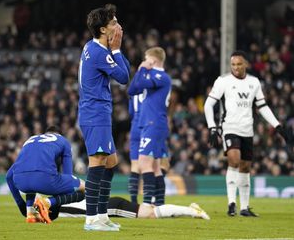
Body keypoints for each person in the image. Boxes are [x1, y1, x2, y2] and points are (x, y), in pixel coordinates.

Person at [204, 50, 289, 217]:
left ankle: (244, 208)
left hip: (247, 130)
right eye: (233, 64)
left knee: (245, 167)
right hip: (230, 128)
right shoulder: (223, 81)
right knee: (234, 160)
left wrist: (277, 126)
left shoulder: (254, 82)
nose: (236, 67)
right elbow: (208, 105)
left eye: (239, 64)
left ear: (246, 64)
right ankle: (231, 203)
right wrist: (212, 127)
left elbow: (262, 107)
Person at [77, 4, 130, 231]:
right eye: (113, 23)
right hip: (95, 113)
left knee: (111, 162)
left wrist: (116, 51)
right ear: (102, 30)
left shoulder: (92, 47)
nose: (118, 26)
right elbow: (124, 76)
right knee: (98, 162)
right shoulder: (99, 52)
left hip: (97, 112)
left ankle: (101, 214)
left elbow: (124, 70)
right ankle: (91, 219)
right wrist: (116, 50)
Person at [6, 126, 85, 224]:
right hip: (44, 179)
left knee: (31, 178)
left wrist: (21, 204)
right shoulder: (63, 141)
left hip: (20, 182)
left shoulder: (30, 140)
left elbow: (8, 176)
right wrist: (55, 203)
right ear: (58, 134)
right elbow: (67, 176)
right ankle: (46, 203)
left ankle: (31, 213)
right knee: (85, 189)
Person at [128, 47, 171, 206]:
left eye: (146, 59)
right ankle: (159, 204)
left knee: (144, 163)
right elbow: (132, 89)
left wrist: (143, 69)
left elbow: (141, 83)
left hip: (154, 123)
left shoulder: (162, 76)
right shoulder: (150, 74)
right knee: (155, 167)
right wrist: (142, 70)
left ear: (153, 60)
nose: (144, 61)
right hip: (148, 123)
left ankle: (146, 204)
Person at [46, 196, 209, 220]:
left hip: (111, 207)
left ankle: (193, 211)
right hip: (108, 203)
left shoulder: (61, 210)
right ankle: (190, 209)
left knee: (151, 214)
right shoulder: (61, 199)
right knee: (150, 210)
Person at [127, 93, 144, 203]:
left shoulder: (133, 94)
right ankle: (151, 200)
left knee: (135, 166)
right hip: (146, 126)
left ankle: (133, 201)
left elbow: (131, 112)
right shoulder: (151, 90)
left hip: (134, 127)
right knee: (151, 165)